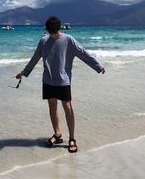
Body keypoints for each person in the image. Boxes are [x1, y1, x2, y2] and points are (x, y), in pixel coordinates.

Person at [15, 16, 105, 153]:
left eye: (53, 30)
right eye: (50, 31)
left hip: (63, 80)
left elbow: (83, 53)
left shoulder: (68, 39)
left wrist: (98, 66)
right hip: (48, 80)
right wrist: (24, 72)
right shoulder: (43, 41)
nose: (51, 33)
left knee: (67, 106)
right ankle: (57, 134)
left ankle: (72, 138)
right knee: (52, 105)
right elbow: (35, 58)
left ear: (58, 28)